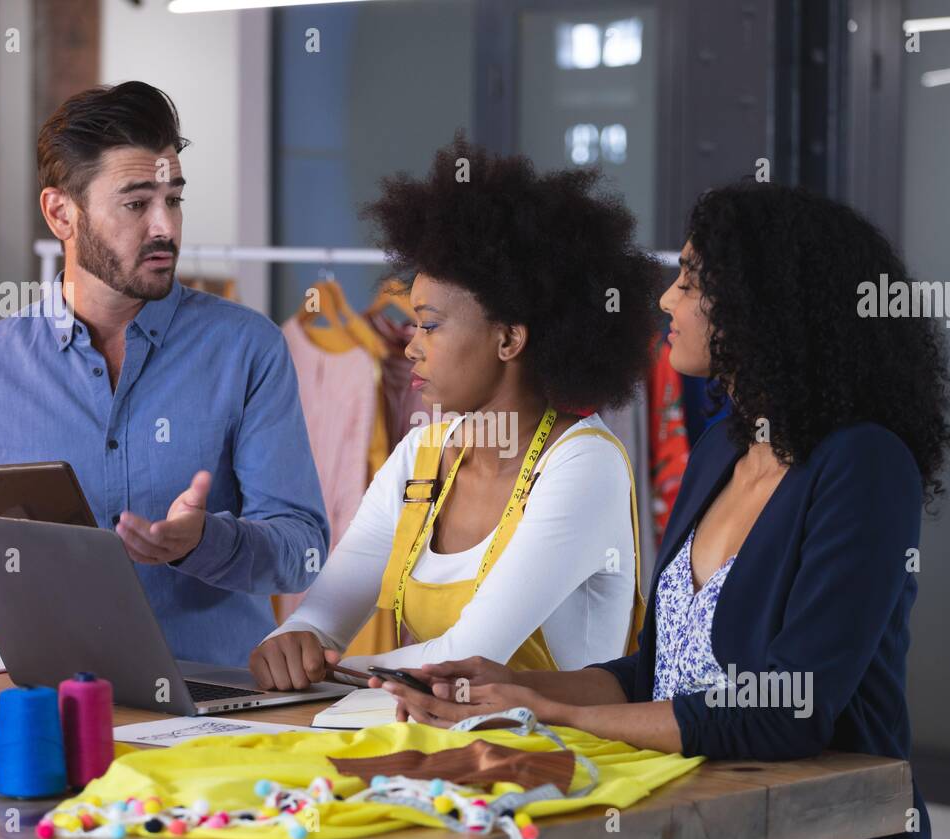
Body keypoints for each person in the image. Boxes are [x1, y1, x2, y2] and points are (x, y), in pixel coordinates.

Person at [370, 180, 950, 839]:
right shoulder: (719, 451)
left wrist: (558, 715)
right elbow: (658, 671)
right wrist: (510, 686)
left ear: (763, 301)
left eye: (689, 279)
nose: (665, 299)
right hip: (694, 818)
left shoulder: (864, 463)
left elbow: (788, 709)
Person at [0, 81, 329, 665]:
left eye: (174, 199)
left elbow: (303, 552)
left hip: (218, 714)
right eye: (137, 203)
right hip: (58, 706)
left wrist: (205, 542)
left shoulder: (248, 349)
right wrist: (35, 593)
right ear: (61, 213)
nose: (165, 226)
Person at [249, 133, 660, 690]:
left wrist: (325, 665)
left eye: (431, 325)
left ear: (509, 338)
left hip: (556, 763)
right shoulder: (422, 454)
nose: (411, 346)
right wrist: (294, 640)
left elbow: (464, 657)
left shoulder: (585, 466)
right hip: (437, 756)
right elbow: (324, 614)